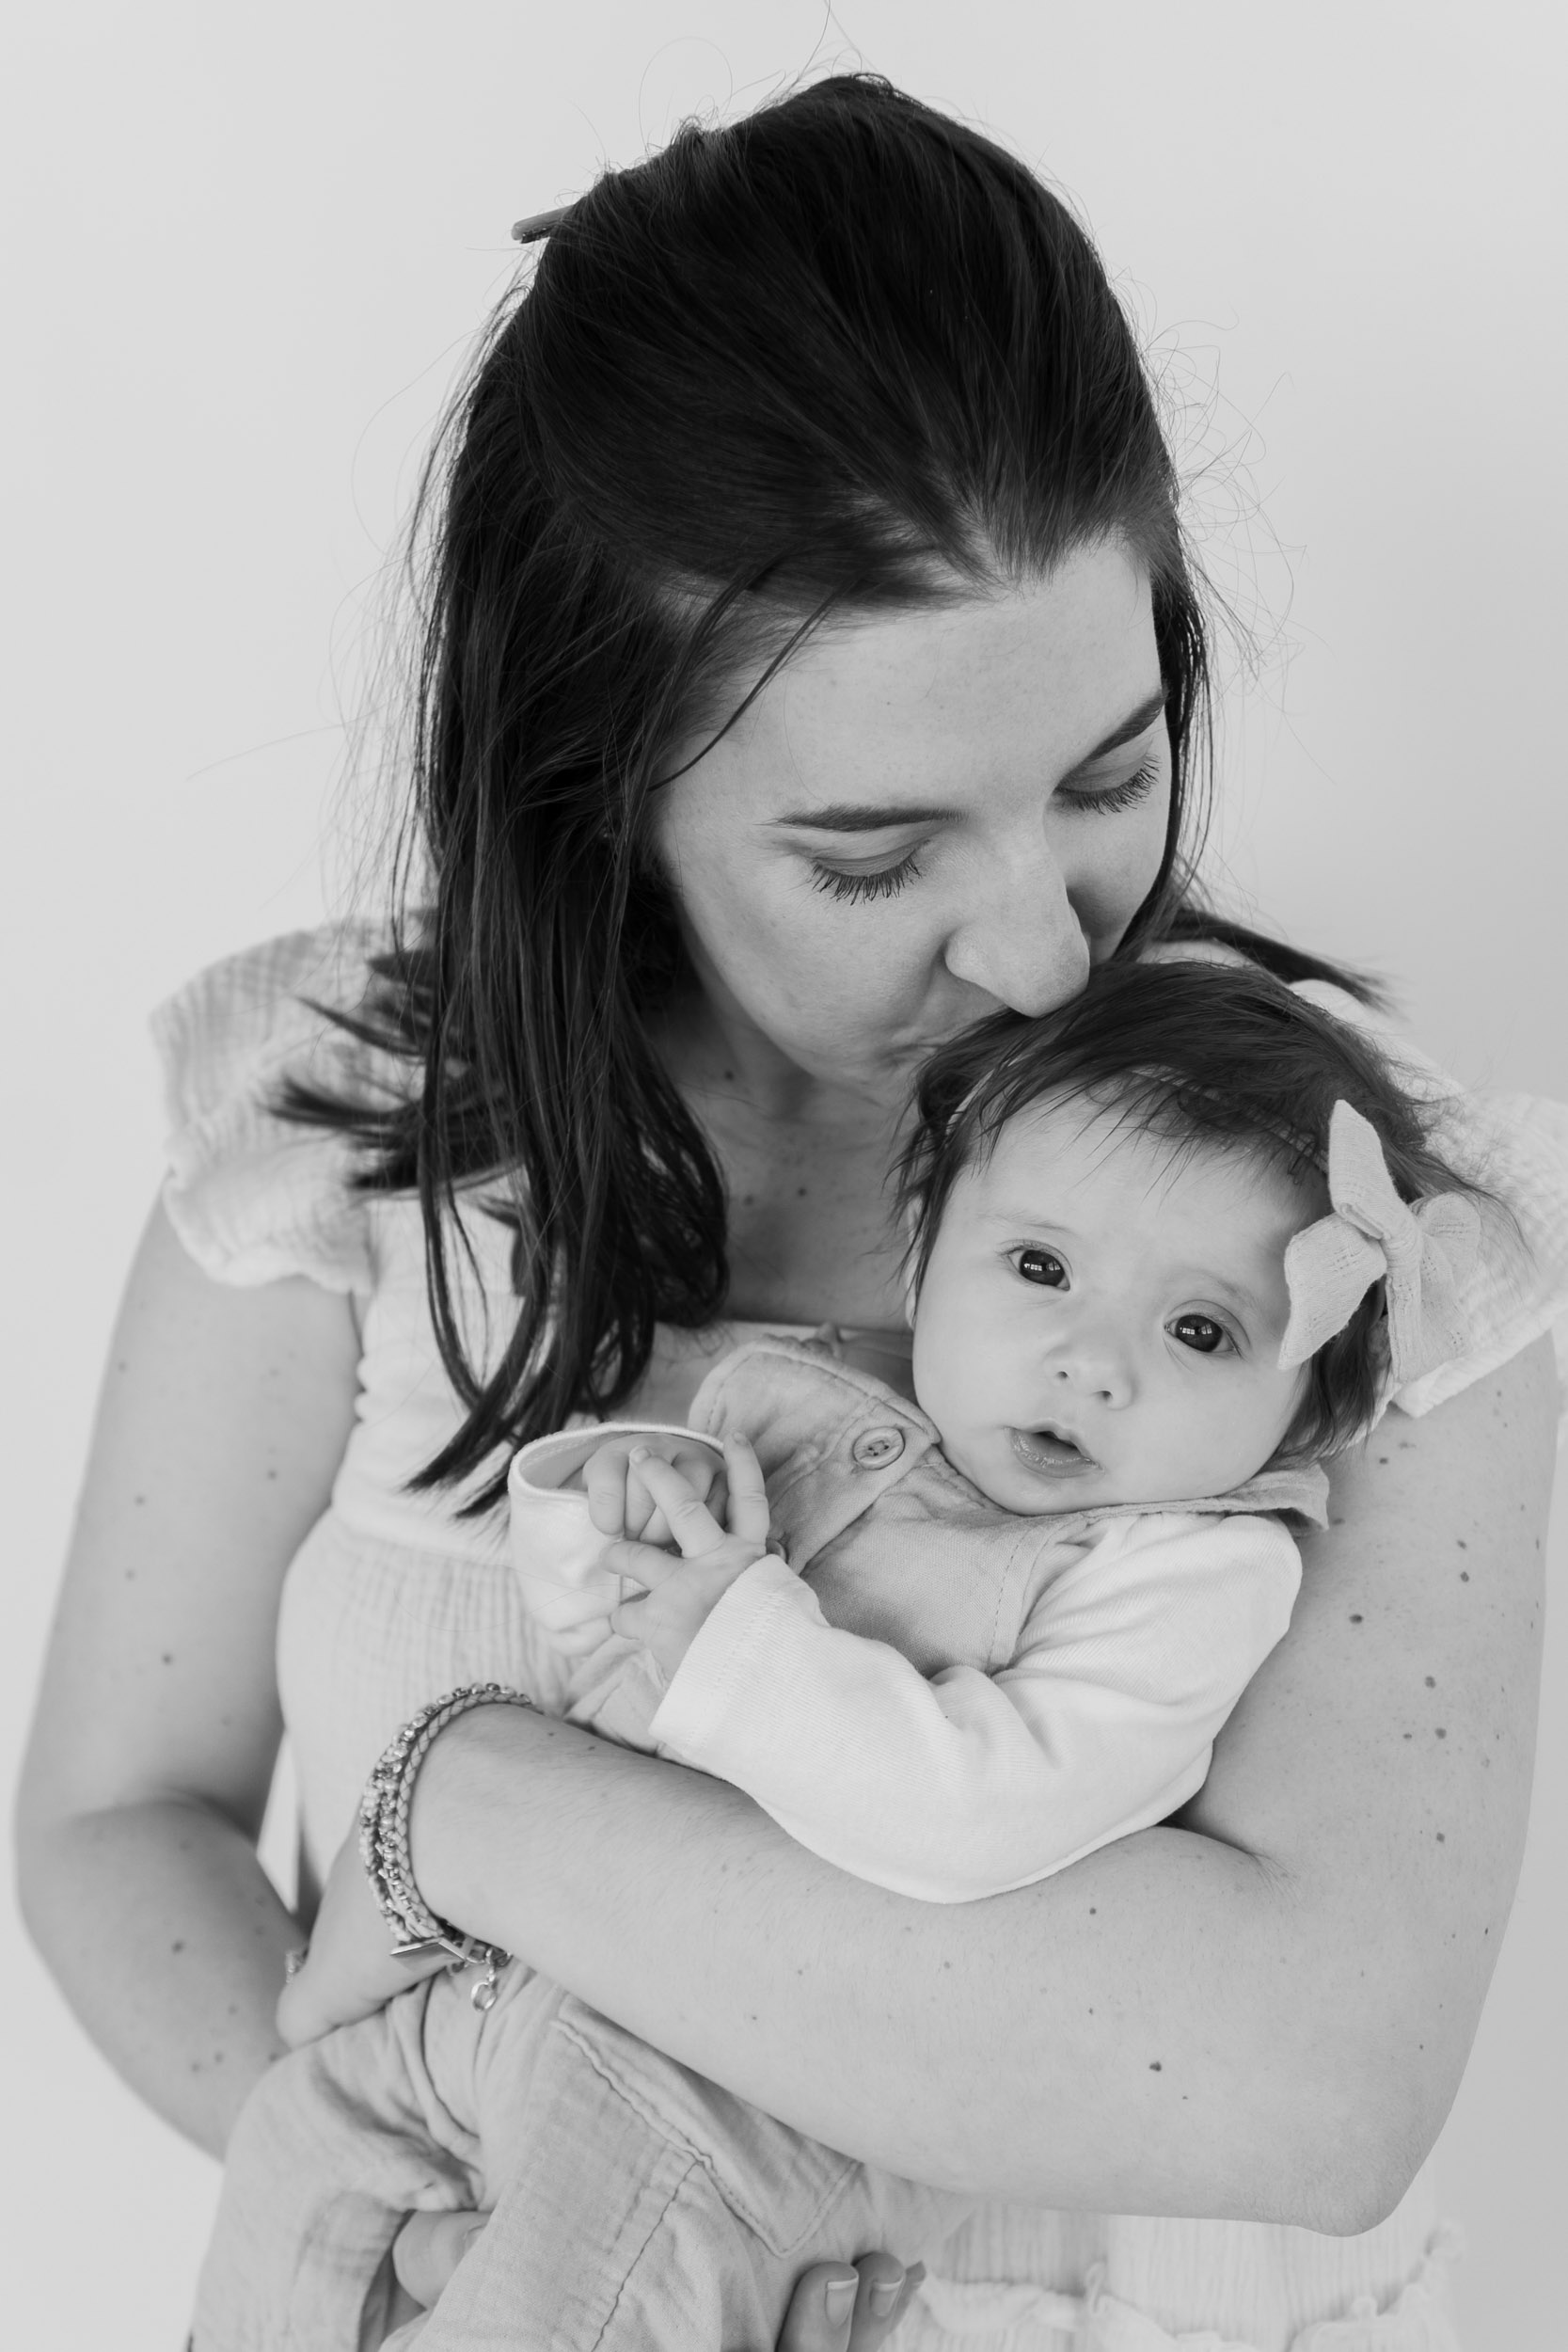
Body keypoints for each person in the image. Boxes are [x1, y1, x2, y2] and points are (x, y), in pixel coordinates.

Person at [16, 72, 1565, 2352]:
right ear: (601, 782)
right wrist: (417, 2194)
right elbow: (115, 1810)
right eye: (875, 853)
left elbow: (1302, 2084)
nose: (1046, 948)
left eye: (1110, 774)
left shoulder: (1362, 1226)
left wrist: (485, 1813)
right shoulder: (337, 1135)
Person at [192, 961, 1507, 2352]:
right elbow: (600, 1649)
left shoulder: (1189, 1571)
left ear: (1308, 1403)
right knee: (291, 2166)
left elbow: (983, 1815)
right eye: (1042, 1269)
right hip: (508, 1985)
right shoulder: (817, 1401)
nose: (1091, 1359)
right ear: (928, 1243)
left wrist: (732, 1632)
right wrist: (613, 1517)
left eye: (1201, 1330)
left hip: (731, 2097)